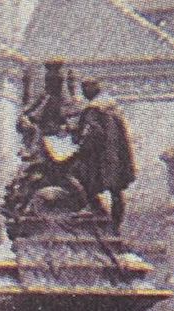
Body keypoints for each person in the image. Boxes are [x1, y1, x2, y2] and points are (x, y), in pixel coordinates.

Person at [71, 77, 136, 233]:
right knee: (116, 192)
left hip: (100, 158)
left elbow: (92, 133)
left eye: (85, 88)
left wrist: (80, 143)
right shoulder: (112, 108)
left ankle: (97, 218)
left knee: (81, 181)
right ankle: (115, 226)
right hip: (117, 157)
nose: (84, 92)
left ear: (93, 89)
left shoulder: (93, 109)